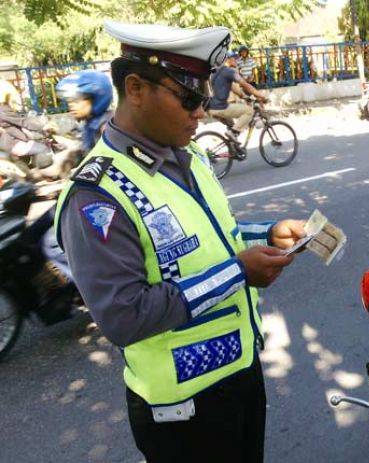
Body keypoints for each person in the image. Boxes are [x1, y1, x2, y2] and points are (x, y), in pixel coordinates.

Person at [54, 21, 307, 462]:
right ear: (135, 88)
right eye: (190, 98)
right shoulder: (98, 194)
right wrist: (238, 273)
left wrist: (266, 233)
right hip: (183, 412)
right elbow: (124, 316)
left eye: (204, 98)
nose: (201, 113)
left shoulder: (190, 154)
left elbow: (213, 233)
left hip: (240, 372)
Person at [208, 51, 267, 137]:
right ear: (227, 60)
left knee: (232, 128)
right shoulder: (229, 71)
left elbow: (234, 88)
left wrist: (244, 96)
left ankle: (233, 145)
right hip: (224, 105)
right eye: (233, 58)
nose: (236, 60)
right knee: (248, 111)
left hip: (212, 107)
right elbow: (244, 85)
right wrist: (260, 96)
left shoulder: (215, 72)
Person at [56, 69, 114, 153]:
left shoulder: (106, 126)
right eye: (69, 101)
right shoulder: (89, 123)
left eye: (76, 100)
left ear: (95, 99)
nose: (71, 105)